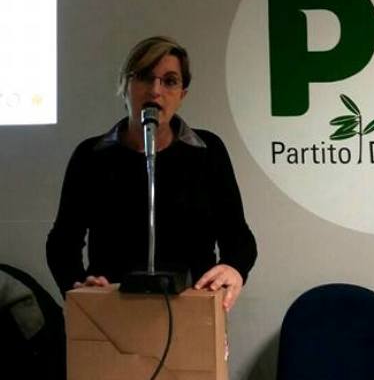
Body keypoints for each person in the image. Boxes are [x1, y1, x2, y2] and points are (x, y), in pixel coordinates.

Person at [46, 36, 257, 311]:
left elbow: (238, 238)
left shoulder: (207, 151)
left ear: (182, 95)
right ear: (124, 86)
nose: (156, 91)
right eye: (145, 77)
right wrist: (78, 285)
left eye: (170, 81)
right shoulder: (92, 156)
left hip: (192, 307)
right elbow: (62, 242)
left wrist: (234, 268)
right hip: (111, 309)